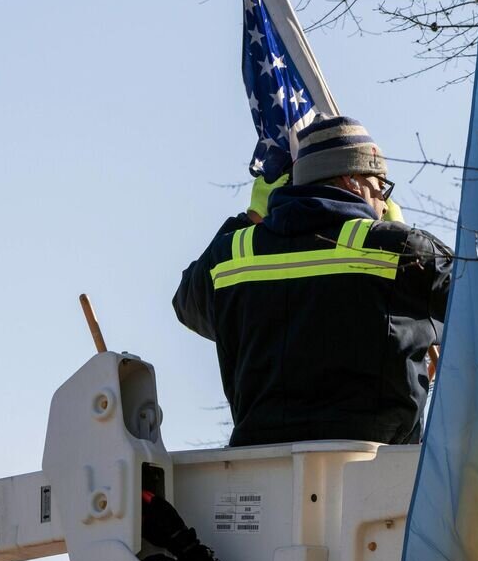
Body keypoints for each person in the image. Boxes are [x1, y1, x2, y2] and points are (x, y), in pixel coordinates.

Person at [173, 115, 451, 447]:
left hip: (260, 472)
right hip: (377, 475)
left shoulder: (232, 254)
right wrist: (407, 242)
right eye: (381, 186)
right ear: (351, 180)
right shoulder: (398, 250)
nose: (383, 203)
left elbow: (186, 304)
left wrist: (247, 221)